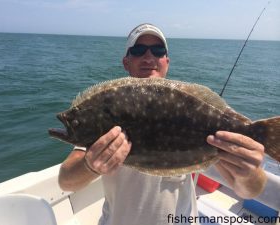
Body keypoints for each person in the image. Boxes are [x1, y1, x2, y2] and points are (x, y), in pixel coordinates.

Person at [58, 23, 267, 225]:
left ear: (167, 60)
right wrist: (89, 165)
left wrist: (250, 173)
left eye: (158, 50)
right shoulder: (108, 108)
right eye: (139, 50)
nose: (149, 57)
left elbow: (250, 191)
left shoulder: (194, 108)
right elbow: (65, 181)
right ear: (126, 62)